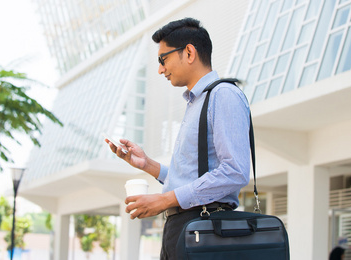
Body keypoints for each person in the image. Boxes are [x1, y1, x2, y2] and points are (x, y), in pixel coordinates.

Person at [105, 17, 251, 259]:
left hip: (203, 228)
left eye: (163, 59)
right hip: (184, 227)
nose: (160, 69)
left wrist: (164, 200)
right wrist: (148, 165)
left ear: (189, 52)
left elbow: (235, 171)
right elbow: (194, 173)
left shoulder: (223, 95)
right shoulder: (197, 102)